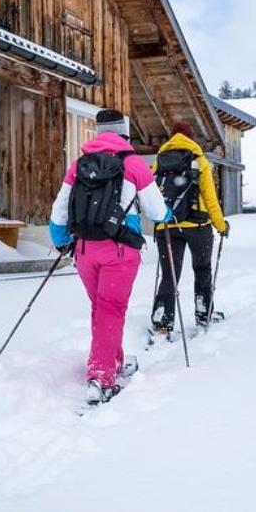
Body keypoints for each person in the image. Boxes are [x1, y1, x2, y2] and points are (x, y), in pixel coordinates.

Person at [49, 109, 172, 405]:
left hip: (85, 250)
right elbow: (156, 211)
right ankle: (101, 377)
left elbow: (59, 211)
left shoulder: (79, 165)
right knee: (110, 309)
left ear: (98, 132)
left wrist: (62, 240)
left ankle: (112, 360)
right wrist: (168, 215)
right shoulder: (134, 165)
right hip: (119, 251)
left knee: (102, 308)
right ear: (124, 133)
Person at [151, 120, 230, 335]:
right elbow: (210, 198)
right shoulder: (199, 160)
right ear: (191, 137)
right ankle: (203, 311)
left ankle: (162, 319)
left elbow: (154, 195)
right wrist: (221, 225)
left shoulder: (159, 161)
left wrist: (157, 223)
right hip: (198, 225)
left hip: (167, 226)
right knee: (202, 269)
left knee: (169, 274)